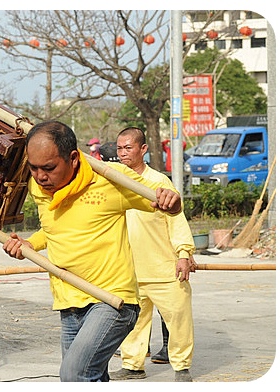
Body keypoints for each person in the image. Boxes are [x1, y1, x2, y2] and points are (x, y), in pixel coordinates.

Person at [1, 120, 183, 382]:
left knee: (74, 374)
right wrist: (30, 244)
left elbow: (168, 206)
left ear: (73, 158)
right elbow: (54, 229)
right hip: (68, 301)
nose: (40, 176)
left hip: (111, 301)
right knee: (90, 377)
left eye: (49, 168)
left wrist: (171, 201)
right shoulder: (38, 187)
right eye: (34, 168)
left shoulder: (111, 180)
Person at [109, 127, 196, 382]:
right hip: (128, 268)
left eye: (128, 148)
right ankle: (133, 365)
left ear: (143, 149)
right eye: (119, 148)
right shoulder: (113, 180)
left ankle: (181, 367)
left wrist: (183, 253)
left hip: (163, 267)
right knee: (132, 322)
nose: (123, 153)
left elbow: (176, 219)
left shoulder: (159, 182)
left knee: (178, 319)